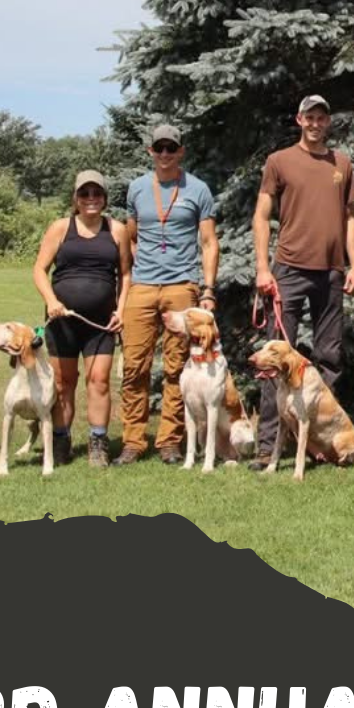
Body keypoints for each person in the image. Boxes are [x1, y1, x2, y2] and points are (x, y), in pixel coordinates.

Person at [252, 94, 354, 469]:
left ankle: (320, 442)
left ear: (328, 122)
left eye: (321, 118)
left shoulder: (342, 164)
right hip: (288, 271)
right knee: (275, 360)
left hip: (330, 272)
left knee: (329, 357)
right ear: (299, 120)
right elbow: (262, 215)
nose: (315, 123)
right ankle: (269, 446)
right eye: (309, 117)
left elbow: (350, 219)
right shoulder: (279, 161)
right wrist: (263, 269)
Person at [118, 121, 218, 466]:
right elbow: (131, 236)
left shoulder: (198, 189)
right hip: (143, 287)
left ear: (181, 152)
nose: (164, 154)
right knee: (134, 366)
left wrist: (207, 289)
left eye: (170, 148)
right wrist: (131, 279)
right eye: (158, 148)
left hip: (181, 286)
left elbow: (208, 242)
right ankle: (132, 441)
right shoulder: (136, 189)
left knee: (177, 367)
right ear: (150, 151)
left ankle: (170, 442)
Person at [32, 171, 131, 469]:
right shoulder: (61, 228)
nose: (91, 199)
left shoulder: (117, 230)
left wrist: (121, 311)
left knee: (99, 380)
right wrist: (51, 301)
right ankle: (60, 440)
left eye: (97, 193)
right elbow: (39, 269)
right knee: (63, 383)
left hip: (100, 323)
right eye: (85, 194)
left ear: (104, 198)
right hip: (62, 320)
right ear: (75, 198)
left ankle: (98, 443)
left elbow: (125, 274)